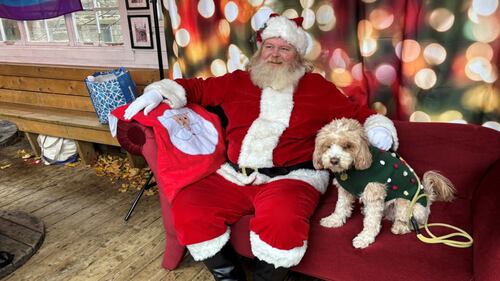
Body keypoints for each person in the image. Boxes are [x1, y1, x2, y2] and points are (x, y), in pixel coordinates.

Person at [124, 14, 398, 281]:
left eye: (284, 48)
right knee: (189, 206)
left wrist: (378, 128)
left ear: (298, 55)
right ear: (261, 49)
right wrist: (161, 91)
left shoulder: (318, 88)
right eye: (269, 46)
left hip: (292, 178)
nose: (275, 54)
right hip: (234, 175)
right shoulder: (238, 81)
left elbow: (355, 114)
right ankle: (228, 276)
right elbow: (196, 89)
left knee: (283, 223)